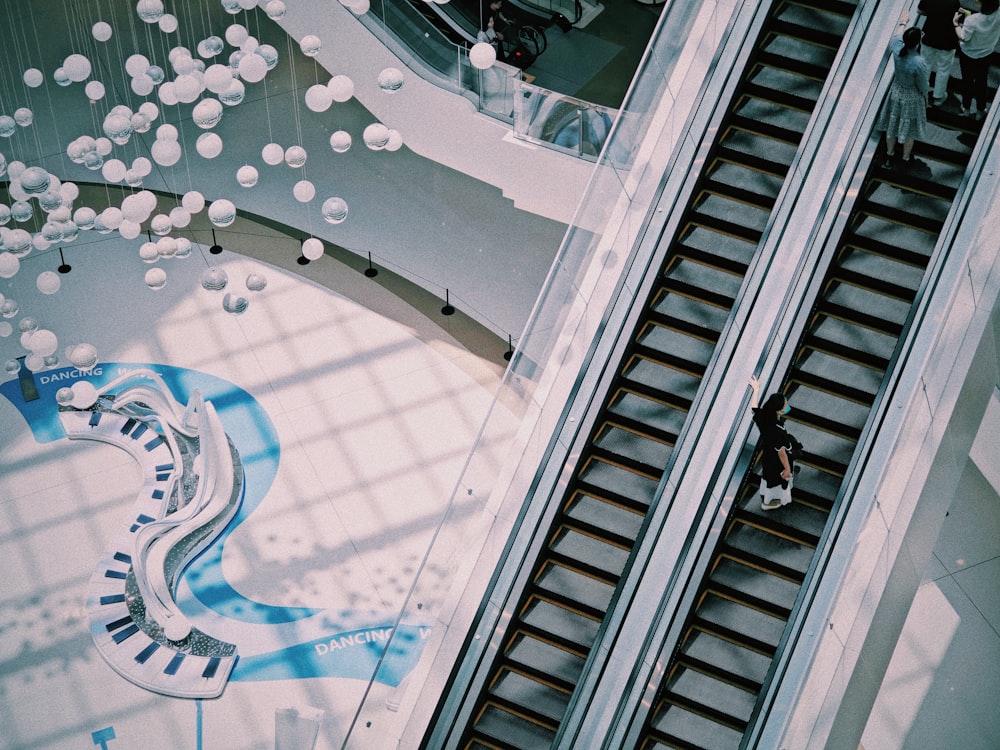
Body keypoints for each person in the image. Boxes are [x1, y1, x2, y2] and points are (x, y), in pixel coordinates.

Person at [875, 26, 929, 169]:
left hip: (896, 91)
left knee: (891, 127)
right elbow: (923, 86)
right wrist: (926, 97)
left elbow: (897, 36)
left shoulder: (897, 48)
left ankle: (889, 153)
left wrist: (903, 23)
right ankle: (905, 158)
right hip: (911, 97)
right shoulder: (919, 62)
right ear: (918, 42)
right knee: (910, 130)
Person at [749, 376, 801, 511]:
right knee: (779, 480)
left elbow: (754, 408)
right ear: (778, 410)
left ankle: (768, 497)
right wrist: (788, 469)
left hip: (768, 456)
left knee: (770, 477)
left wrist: (756, 389)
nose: (787, 406)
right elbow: (782, 453)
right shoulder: (776, 431)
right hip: (777, 461)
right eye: (785, 405)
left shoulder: (765, 418)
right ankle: (769, 502)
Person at [954, 0, 1000, 119]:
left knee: (967, 81)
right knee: (982, 81)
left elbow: (964, 38)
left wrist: (956, 24)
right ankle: (981, 110)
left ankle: (966, 108)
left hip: (968, 54)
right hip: (986, 53)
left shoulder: (972, 20)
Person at [919, 0, 961, 106]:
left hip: (929, 35)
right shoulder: (955, 2)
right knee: (943, 69)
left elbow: (919, 11)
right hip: (947, 40)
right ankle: (938, 97)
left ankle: (921, 92)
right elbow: (956, 19)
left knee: (925, 65)